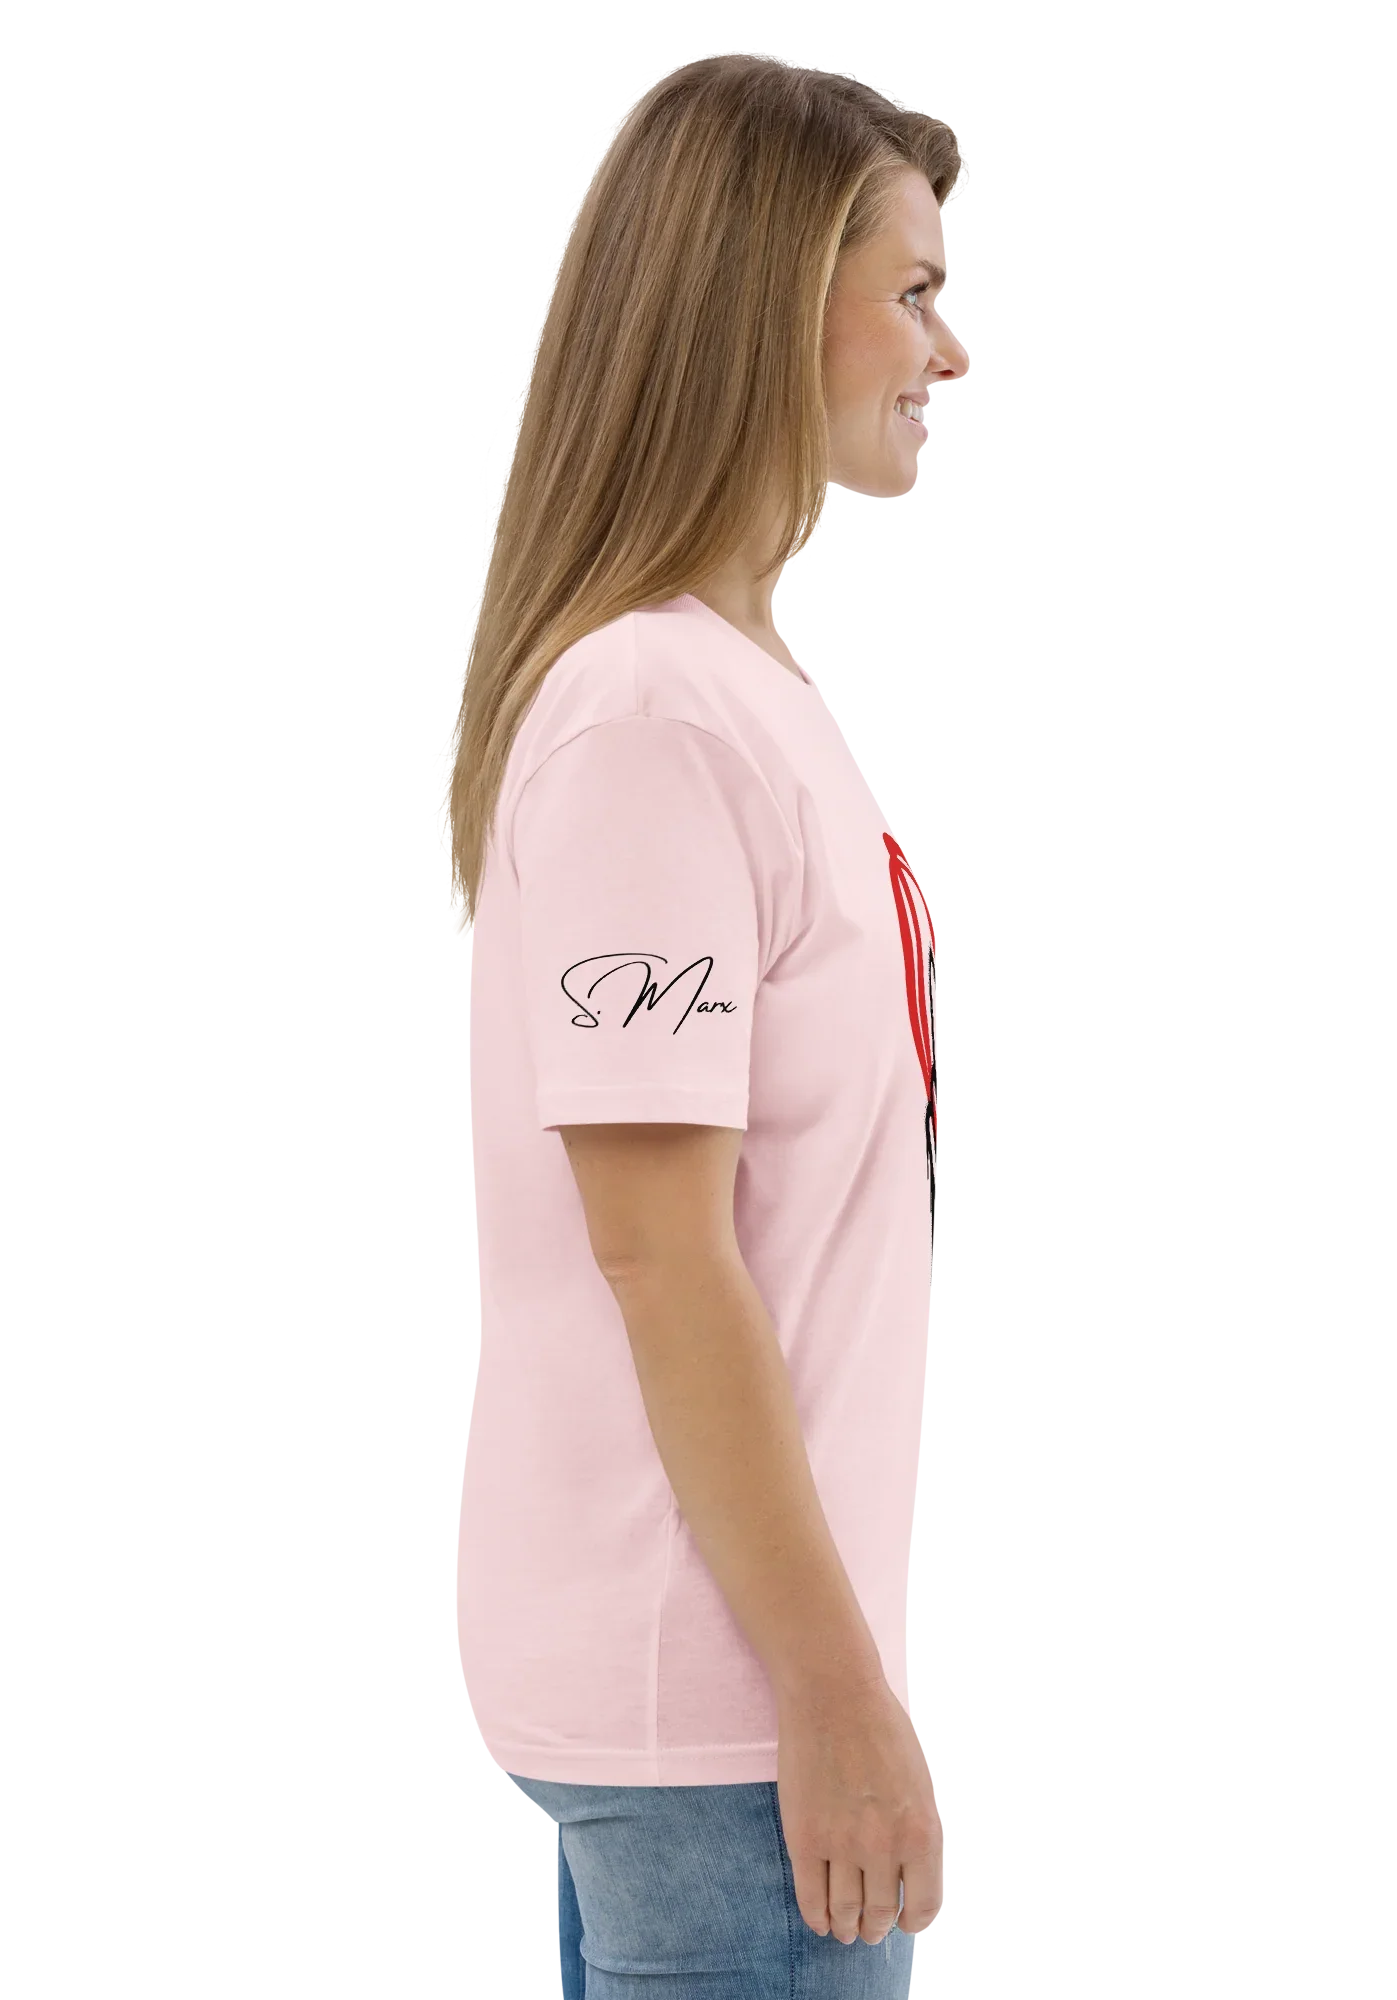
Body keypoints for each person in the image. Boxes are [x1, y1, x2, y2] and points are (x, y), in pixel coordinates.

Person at [439, 47, 972, 1997]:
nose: (949, 352)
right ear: (767, 304)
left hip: (733, 1693)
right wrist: (834, 1701)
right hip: (720, 1716)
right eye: (912, 292)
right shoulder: (651, 716)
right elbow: (663, 1252)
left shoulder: (742, 685)